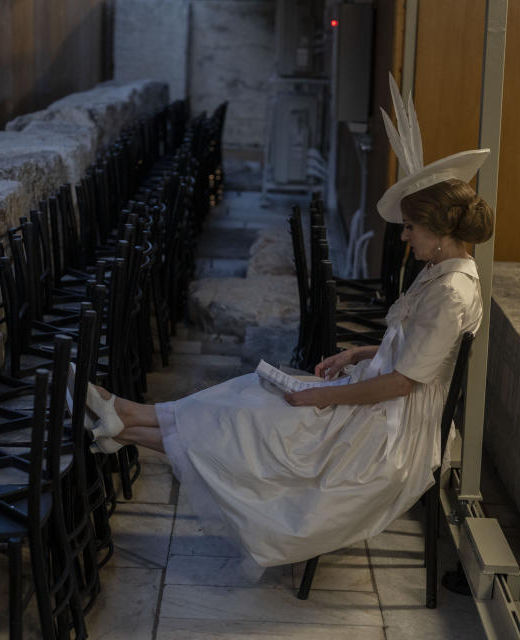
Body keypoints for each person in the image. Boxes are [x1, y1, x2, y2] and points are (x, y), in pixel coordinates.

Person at [80, 77, 496, 568]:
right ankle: (123, 417)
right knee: (245, 395)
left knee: (258, 424)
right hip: (376, 397)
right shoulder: (439, 272)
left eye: (410, 227)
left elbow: (404, 383)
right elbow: (408, 353)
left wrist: (321, 396)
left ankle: (121, 424)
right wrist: (355, 353)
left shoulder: (450, 291)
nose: (404, 237)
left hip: (392, 432)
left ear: (440, 230)